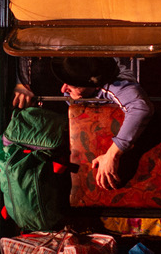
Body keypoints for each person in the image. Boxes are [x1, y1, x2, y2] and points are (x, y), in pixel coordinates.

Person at [51, 57, 153, 190]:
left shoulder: (117, 86)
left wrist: (112, 156)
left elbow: (140, 108)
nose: (63, 89)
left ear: (96, 85)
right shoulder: (80, 86)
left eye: (73, 85)